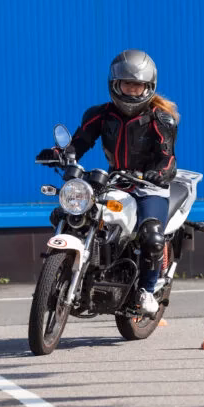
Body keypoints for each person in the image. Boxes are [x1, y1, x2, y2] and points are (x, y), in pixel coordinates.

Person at [36, 49, 179, 316]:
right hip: (116, 181)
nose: (132, 90)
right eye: (127, 84)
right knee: (71, 214)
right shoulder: (100, 114)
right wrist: (60, 154)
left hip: (148, 186)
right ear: (115, 84)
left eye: (137, 85)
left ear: (148, 87)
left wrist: (159, 173)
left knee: (151, 235)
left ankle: (147, 291)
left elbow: (167, 158)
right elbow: (80, 142)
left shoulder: (160, 119)